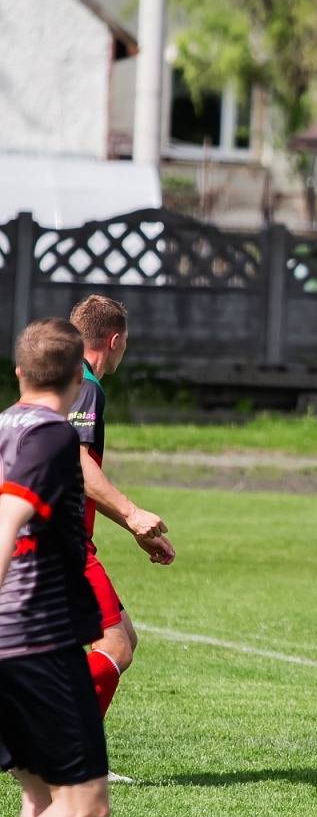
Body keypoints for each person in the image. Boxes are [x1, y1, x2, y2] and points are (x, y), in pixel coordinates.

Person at [0, 318, 114, 817]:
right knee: (84, 808)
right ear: (78, 382)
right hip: (36, 645)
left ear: (18, 374)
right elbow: (8, 522)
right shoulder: (49, 436)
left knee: (40, 802)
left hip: (15, 646)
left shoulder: (2, 427)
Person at [66, 295, 175, 721]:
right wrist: (132, 513)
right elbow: (75, 461)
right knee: (115, 646)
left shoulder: (58, 380)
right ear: (114, 340)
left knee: (120, 638)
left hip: (45, 535)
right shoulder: (87, 387)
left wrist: (135, 530)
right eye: (127, 341)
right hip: (62, 543)